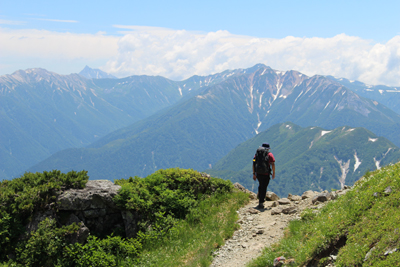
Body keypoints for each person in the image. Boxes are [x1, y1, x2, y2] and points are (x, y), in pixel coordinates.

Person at [253, 143, 275, 209]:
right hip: (266, 174)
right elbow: (273, 164)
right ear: (268, 149)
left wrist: (254, 174)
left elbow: (254, 163)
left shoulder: (257, 154)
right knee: (264, 187)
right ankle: (261, 202)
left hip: (258, 173)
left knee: (261, 185)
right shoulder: (270, 155)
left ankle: (260, 198)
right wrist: (273, 173)